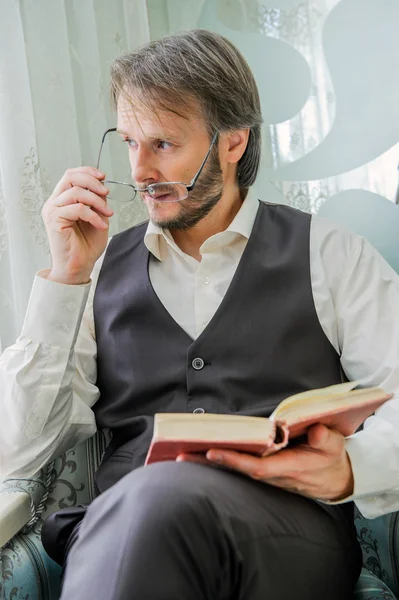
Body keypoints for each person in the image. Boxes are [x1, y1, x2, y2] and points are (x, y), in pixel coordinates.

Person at [1, 29, 399, 600]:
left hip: (286, 535)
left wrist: (354, 465)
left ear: (232, 143)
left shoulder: (329, 254)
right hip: (125, 529)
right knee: (143, 509)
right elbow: (16, 449)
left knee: (149, 505)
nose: (138, 169)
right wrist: (65, 279)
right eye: (129, 143)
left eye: (163, 144)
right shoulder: (98, 271)